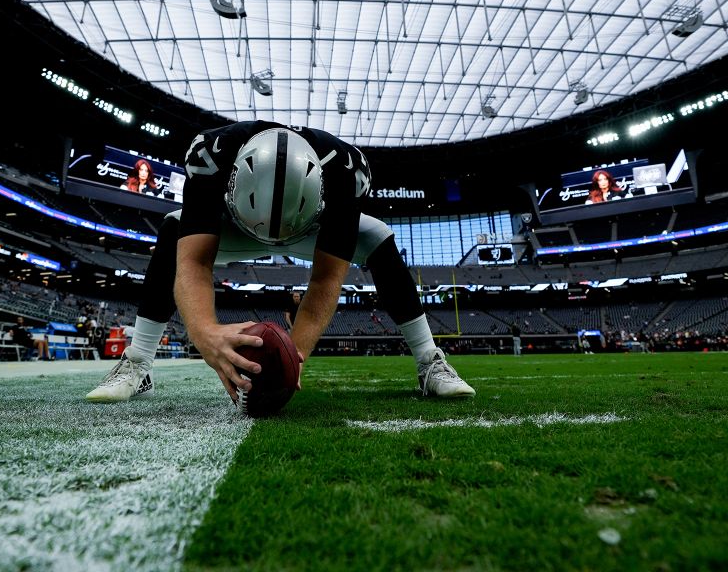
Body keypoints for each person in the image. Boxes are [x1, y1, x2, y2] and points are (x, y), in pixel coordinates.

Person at [86, 121, 474, 403]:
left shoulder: (344, 173)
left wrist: (294, 356)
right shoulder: (211, 157)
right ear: (233, 180)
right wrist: (205, 334)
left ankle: (429, 360)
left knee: (377, 237)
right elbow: (194, 264)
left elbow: (325, 281)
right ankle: (137, 363)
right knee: (174, 229)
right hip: (234, 225)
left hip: (311, 229)